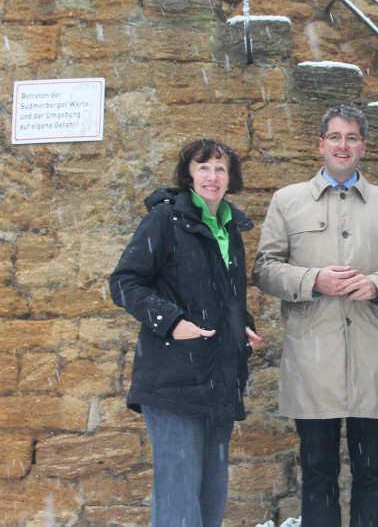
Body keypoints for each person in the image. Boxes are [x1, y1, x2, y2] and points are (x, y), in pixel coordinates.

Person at [252, 105, 378, 527]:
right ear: (321, 144)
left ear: (363, 146)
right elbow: (263, 269)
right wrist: (314, 280)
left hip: (373, 354)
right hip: (313, 359)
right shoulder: (287, 201)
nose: (342, 145)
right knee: (317, 474)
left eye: (351, 137)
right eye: (335, 136)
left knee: (371, 473)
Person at [110, 139, 262, 527]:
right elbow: (126, 283)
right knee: (179, 494)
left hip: (220, 378)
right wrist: (172, 322)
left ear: (232, 178)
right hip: (173, 379)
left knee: (211, 494)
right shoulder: (165, 220)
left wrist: (242, 323)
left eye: (221, 168)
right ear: (189, 175)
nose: (213, 176)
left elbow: (222, 296)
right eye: (204, 167)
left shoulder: (230, 226)